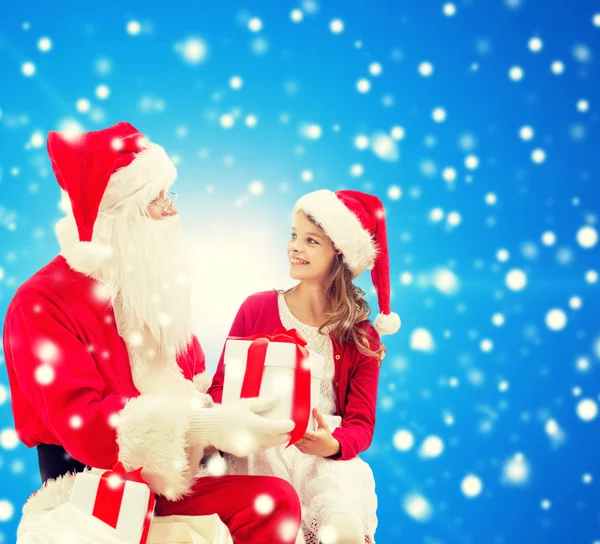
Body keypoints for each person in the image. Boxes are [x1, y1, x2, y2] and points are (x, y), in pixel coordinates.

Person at [3, 122, 301, 543]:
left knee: (275, 501)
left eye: (169, 194)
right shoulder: (41, 302)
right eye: (155, 199)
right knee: (272, 502)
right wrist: (205, 426)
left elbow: (197, 384)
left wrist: (257, 411)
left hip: (173, 480)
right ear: (116, 216)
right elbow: (85, 428)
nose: (172, 209)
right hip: (92, 490)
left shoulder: (150, 289)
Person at [208, 189, 401, 544]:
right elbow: (221, 386)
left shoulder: (362, 338)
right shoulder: (258, 308)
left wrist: (330, 444)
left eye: (310, 240)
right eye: (293, 235)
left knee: (341, 530)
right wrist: (229, 418)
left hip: (322, 462)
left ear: (340, 254)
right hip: (260, 455)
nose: (294, 247)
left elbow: (361, 424)